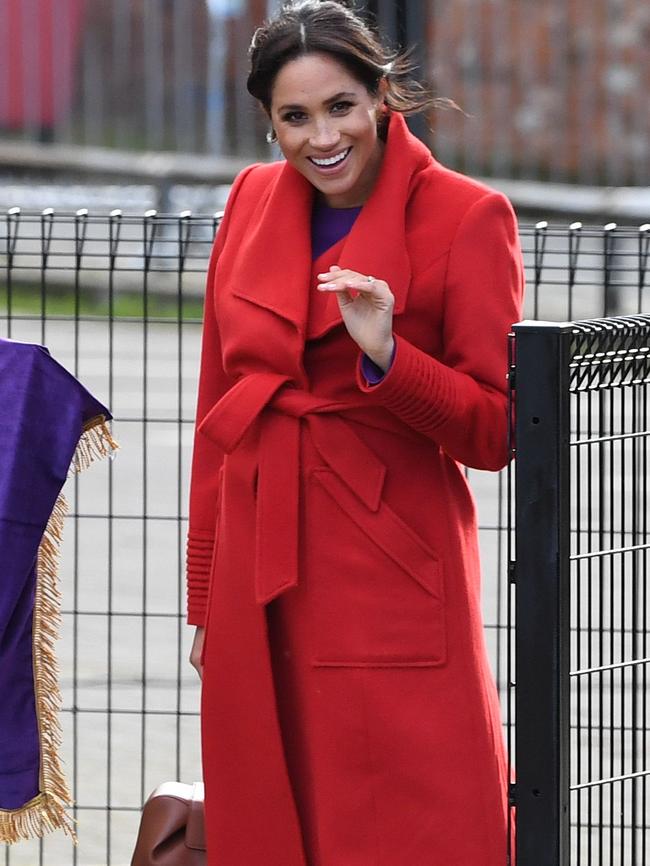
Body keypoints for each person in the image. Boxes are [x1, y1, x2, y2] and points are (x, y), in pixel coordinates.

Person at [186, 2, 524, 864]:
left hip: (393, 571)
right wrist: (202, 597)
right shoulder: (251, 199)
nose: (321, 137)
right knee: (271, 811)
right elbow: (219, 411)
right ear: (269, 123)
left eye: (340, 106)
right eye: (294, 117)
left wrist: (389, 354)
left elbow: (492, 431)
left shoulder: (468, 217)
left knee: (418, 825)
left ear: (382, 96)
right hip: (259, 571)